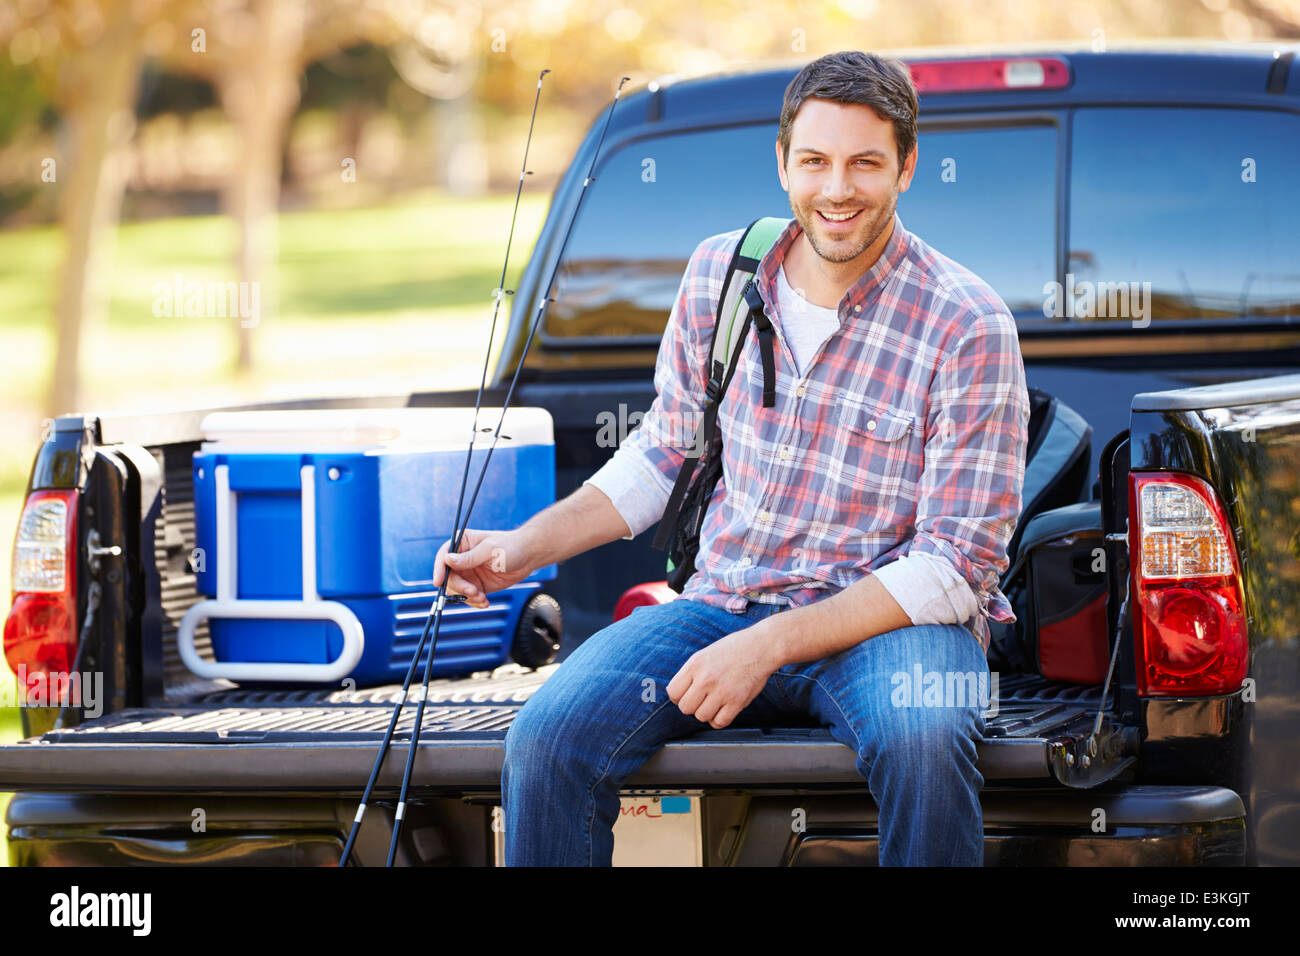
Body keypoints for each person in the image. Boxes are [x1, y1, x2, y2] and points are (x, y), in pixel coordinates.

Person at [433, 49, 1030, 866]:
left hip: (888, 628)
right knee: (546, 737)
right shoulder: (722, 272)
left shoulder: (967, 321)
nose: (838, 188)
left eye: (866, 163)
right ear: (782, 162)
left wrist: (774, 643)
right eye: (815, 161)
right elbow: (665, 454)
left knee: (926, 739)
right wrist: (517, 552)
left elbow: (956, 564)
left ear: (908, 167)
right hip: (724, 602)